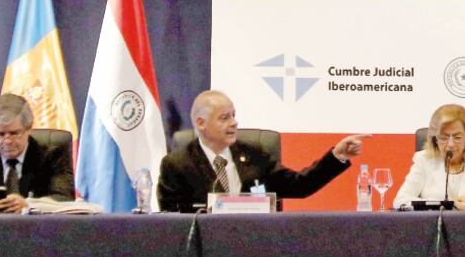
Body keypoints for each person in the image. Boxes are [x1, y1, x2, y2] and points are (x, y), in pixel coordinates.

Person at [157, 90, 369, 212]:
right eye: (224, 118)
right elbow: (171, 220)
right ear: (201, 123)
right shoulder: (177, 164)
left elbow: (301, 185)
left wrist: (337, 156)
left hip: (254, 248)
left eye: (233, 115)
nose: (234, 123)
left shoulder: (254, 156)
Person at [393, 104, 465, 210]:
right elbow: (400, 201)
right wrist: (447, 205)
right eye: (444, 137)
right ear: (435, 139)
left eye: (457, 137)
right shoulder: (424, 159)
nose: (450, 144)